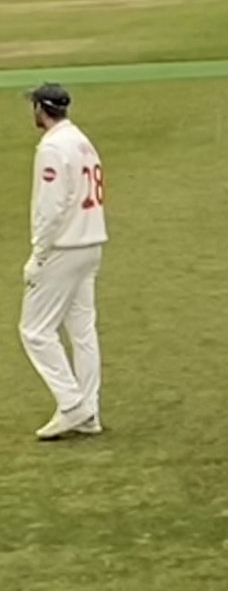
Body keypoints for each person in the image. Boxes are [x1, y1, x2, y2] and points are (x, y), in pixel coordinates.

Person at [19, 83, 107, 440]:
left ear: (42, 108)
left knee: (35, 331)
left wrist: (38, 255)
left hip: (65, 247)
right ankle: (89, 410)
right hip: (90, 243)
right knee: (82, 330)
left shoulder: (54, 146)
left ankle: (73, 404)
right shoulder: (81, 140)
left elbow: (51, 207)